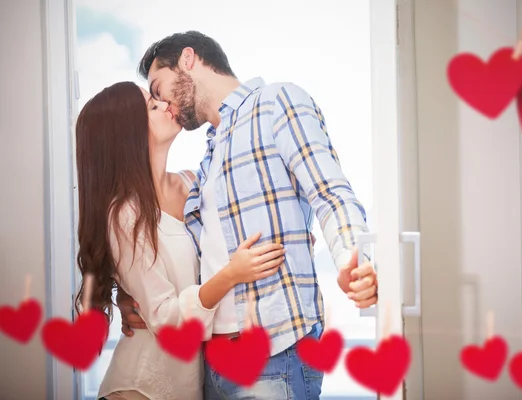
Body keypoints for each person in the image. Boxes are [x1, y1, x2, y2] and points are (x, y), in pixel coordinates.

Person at [118, 30, 379, 399]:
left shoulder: (275, 102)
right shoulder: (206, 161)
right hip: (210, 366)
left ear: (188, 60)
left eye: (160, 88)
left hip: (273, 357)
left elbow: (331, 193)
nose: (165, 105)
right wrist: (132, 298)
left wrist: (354, 258)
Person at [74, 81, 287, 400]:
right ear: (125, 133)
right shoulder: (124, 214)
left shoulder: (194, 183)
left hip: (196, 381)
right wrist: (231, 274)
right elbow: (168, 320)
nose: (164, 104)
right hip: (142, 388)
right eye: (151, 106)